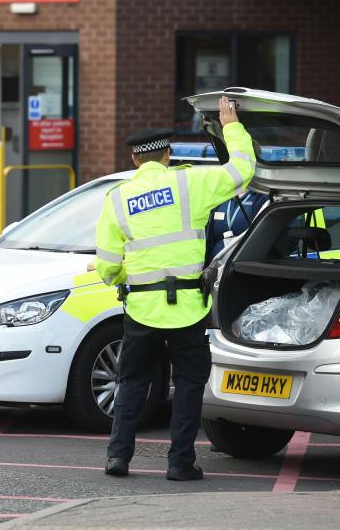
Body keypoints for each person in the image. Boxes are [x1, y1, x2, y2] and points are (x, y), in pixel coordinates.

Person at [94, 95, 255, 481]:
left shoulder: (117, 199)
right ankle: (180, 463)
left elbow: (107, 265)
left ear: (136, 160)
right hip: (188, 308)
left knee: (131, 382)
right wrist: (230, 125)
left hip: (142, 310)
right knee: (187, 384)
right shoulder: (191, 182)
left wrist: (120, 280)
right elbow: (242, 171)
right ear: (168, 154)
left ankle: (119, 457)